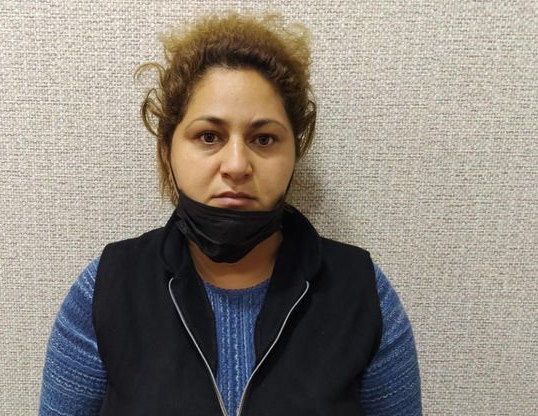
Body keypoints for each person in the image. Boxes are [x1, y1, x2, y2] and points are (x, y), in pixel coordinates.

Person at [39, 13, 421, 416]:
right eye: (209, 136)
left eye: (264, 139)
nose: (237, 165)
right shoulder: (105, 290)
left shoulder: (363, 293)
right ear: (168, 150)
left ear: (295, 153)